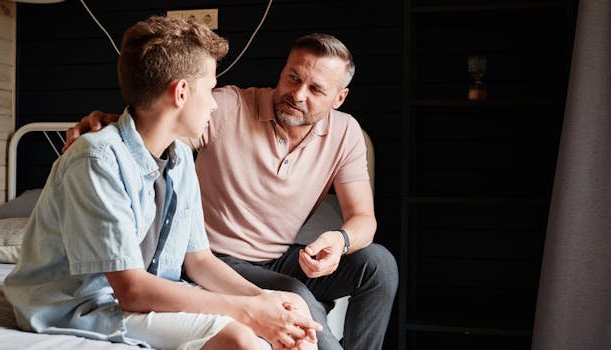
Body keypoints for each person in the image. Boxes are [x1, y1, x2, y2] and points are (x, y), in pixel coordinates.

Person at [4, 16, 322, 350]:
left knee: (292, 305)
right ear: (181, 92)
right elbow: (132, 290)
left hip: (148, 293)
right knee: (240, 339)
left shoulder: (181, 156)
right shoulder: (96, 159)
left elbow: (199, 260)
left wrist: (266, 300)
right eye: (211, 89)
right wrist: (249, 312)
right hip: (82, 305)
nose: (214, 104)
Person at [66, 33, 398, 350]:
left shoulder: (346, 133)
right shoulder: (226, 107)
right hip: (216, 258)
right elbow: (159, 136)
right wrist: (112, 125)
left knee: (379, 265)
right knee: (295, 295)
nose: (298, 94)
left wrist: (339, 242)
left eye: (316, 89)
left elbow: (363, 220)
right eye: (293, 78)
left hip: (281, 258)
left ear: (339, 99)